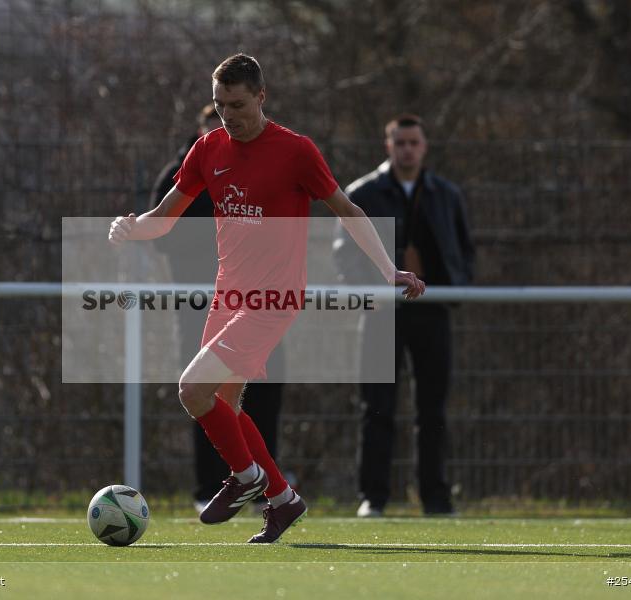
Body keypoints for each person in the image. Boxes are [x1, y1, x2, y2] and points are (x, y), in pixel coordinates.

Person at [109, 54, 425, 543]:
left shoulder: (295, 151)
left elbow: (348, 209)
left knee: (191, 390)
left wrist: (388, 270)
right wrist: (132, 228)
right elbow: (165, 215)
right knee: (225, 406)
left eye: (237, 104)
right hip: (227, 294)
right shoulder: (207, 149)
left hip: (273, 297)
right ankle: (282, 499)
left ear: (261, 96)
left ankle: (249, 478)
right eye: (219, 105)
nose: (228, 115)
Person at [333, 114, 475, 517]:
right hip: (381, 313)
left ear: (424, 146)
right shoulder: (365, 193)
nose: (407, 149)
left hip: (431, 311)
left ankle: (436, 498)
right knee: (376, 407)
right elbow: (344, 253)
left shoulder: (445, 194)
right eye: (401, 142)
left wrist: (454, 289)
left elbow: (464, 249)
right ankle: (373, 498)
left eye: (414, 142)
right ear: (388, 145)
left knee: (433, 408)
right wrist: (371, 293)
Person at [148, 105, 286, 515]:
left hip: (259, 299)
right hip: (201, 304)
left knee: (258, 396)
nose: (226, 130)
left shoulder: (266, 162)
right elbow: (161, 232)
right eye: (217, 122)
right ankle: (215, 484)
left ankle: (267, 488)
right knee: (202, 394)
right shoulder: (186, 172)